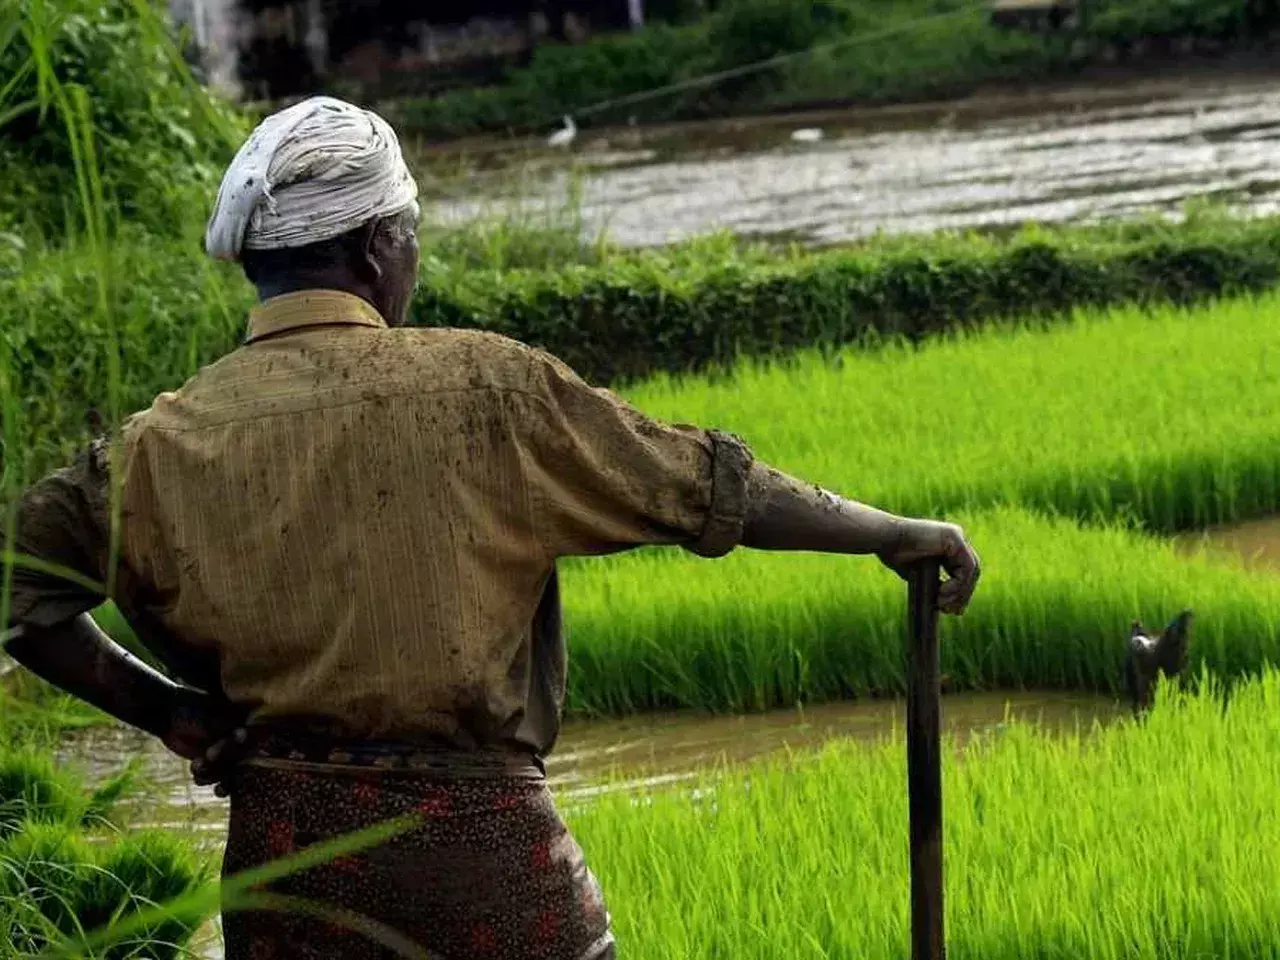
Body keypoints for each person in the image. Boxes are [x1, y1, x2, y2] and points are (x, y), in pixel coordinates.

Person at [2, 96, 980, 960]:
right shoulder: (485, 387)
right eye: (412, 233)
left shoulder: (155, 445)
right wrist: (888, 531)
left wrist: (168, 710)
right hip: (478, 856)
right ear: (381, 247)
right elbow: (701, 485)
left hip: (284, 867)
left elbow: (20, 589)